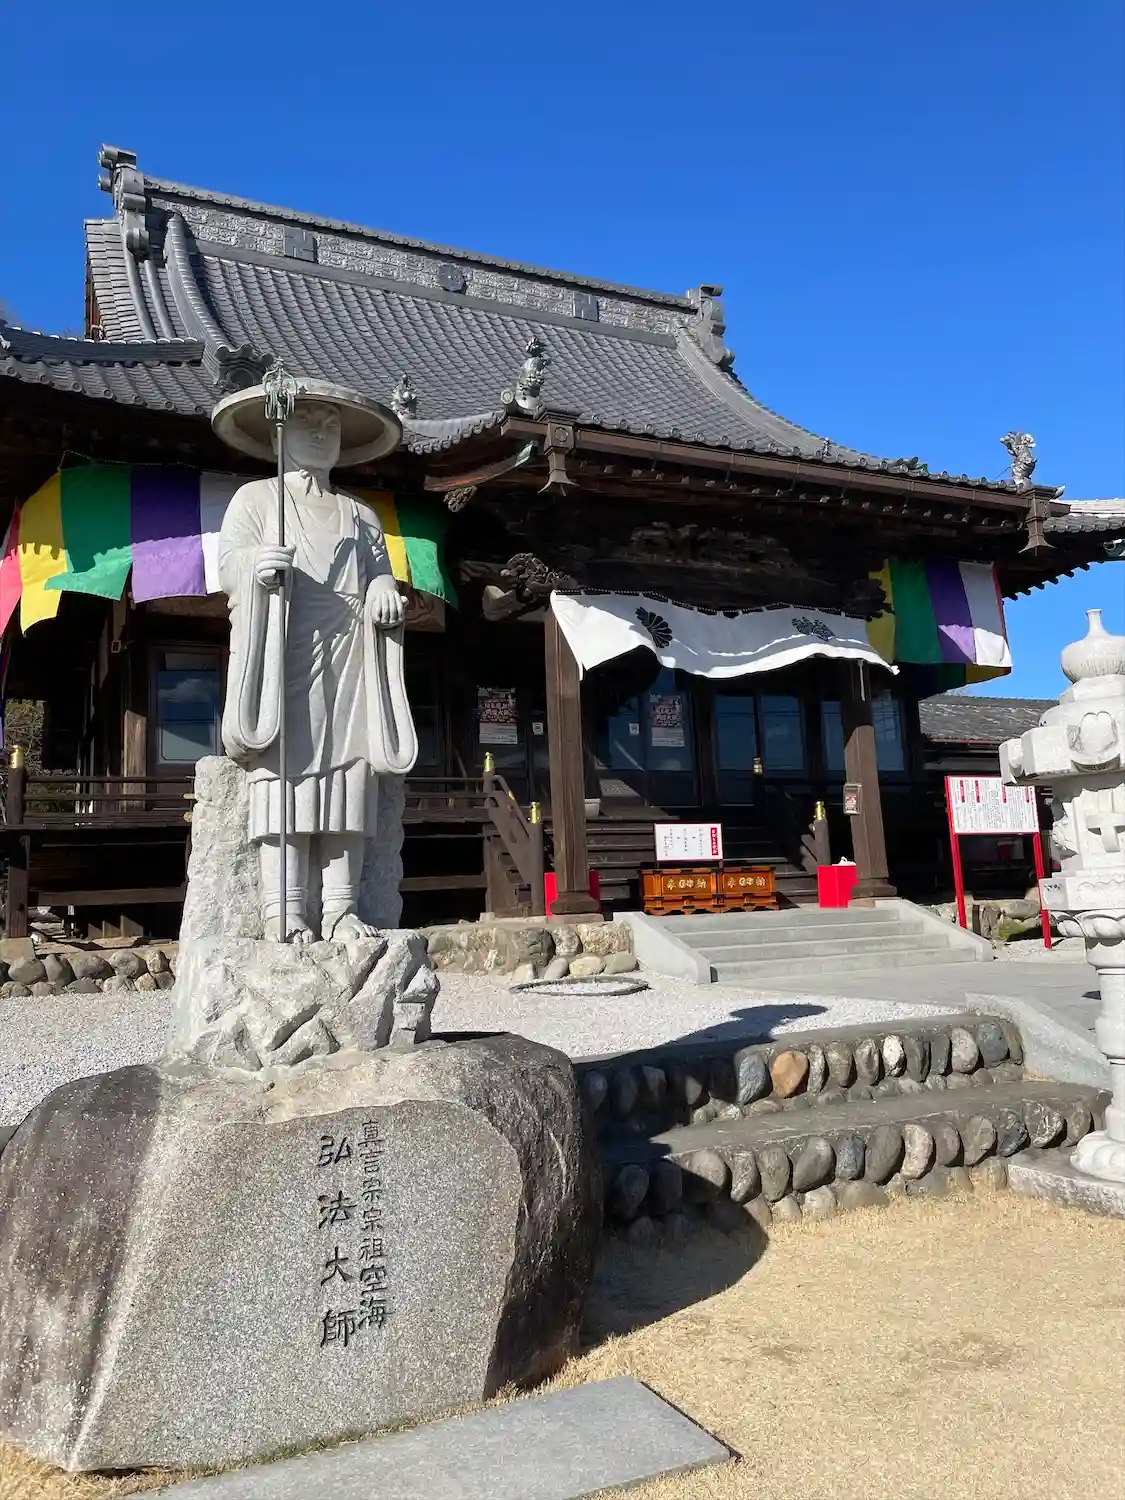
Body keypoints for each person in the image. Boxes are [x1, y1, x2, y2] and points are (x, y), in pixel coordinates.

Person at [213, 385, 417, 943]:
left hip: (350, 653)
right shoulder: (257, 500)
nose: (322, 434)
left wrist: (383, 589)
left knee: (350, 776)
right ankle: (283, 909)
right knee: (282, 776)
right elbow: (228, 567)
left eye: (331, 426)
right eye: (309, 424)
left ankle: (342, 909)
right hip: (285, 651)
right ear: (280, 434)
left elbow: (379, 572)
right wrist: (257, 566)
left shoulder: (360, 514)